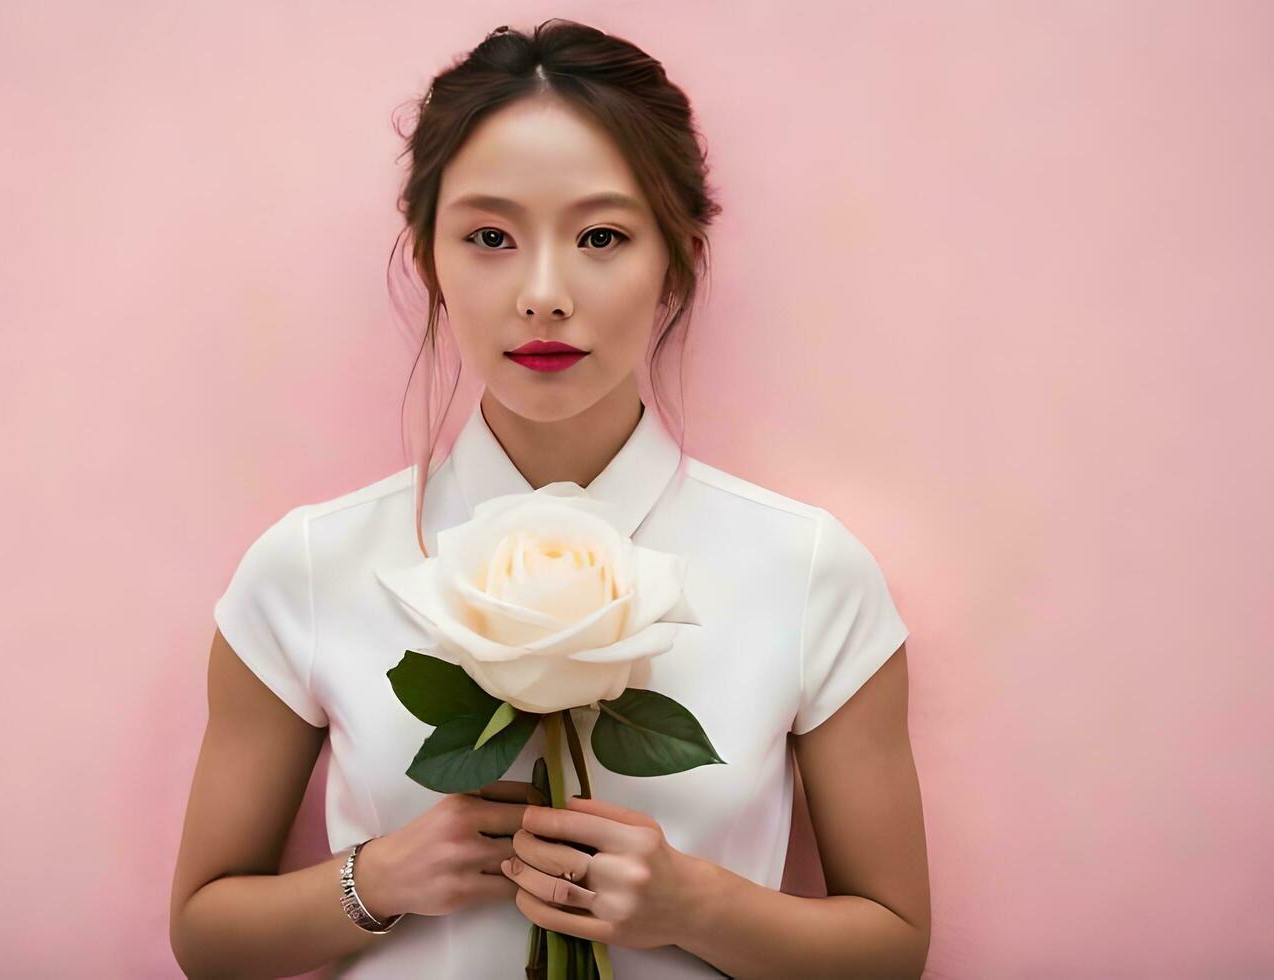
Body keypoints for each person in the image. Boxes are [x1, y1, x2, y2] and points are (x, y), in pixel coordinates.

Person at [170, 18, 930, 980]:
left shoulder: (809, 569)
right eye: (489, 235)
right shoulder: (310, 564)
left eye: (601, 236)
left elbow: (894, 946)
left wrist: (695, 904)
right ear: (427, 255)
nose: (542, 292)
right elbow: (205, 936)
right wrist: (380, 878)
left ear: (676, 259)